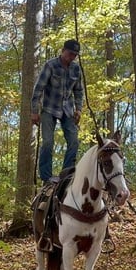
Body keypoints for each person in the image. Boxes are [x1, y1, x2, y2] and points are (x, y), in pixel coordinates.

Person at [31, 39, 84, 185]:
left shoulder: (76, 69)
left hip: (68, 110)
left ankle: (66, 175)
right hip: (49, 108)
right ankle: (46, 177)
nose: (71, 57)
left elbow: (79, 91)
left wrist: (79, 109)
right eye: (70, 53)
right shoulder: (50, 65)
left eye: (75, 55)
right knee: (48, 142)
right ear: (63, 51)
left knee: (74, 141)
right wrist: (34, 111)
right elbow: (38, 89)